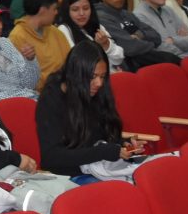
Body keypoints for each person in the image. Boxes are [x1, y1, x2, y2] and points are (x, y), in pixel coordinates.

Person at [36, 41, 144, 177]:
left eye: (102, 76)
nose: (99, 83)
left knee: (147, 175)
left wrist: (125, 146)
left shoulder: (96, 93)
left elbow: (104, 136)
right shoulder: (51, 100)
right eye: (93, 76)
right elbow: (52, 157)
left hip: (99, 167)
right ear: (76, 74)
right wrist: (104, 152)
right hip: (69, 176)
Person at [91, 0, 181, 71]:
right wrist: (149, 44)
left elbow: (156, 36)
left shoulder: (126, 14)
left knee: (176, 61)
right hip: (127, 68)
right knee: (172, 62)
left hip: (145, 60)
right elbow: (130, 48)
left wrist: (139, 35)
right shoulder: (101, 17)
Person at [7, 0, 71, 89]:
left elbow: (70, 62)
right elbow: (21, 78)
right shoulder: (17, 37)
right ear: (42, 10)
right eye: (54, 9)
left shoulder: (56, 32)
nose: (56, 12)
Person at [55, 0, 125, 70]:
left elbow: (119, 58)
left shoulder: (97, 26)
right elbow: (77, 64)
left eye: (86, 8)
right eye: (75, 9)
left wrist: (106, 44)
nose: (82, 13)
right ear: (67, 11)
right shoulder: (63, 29)